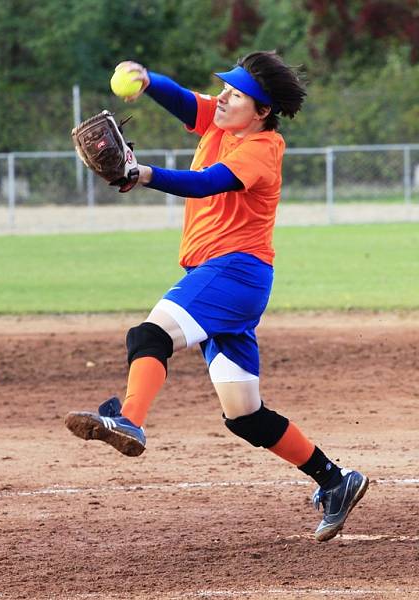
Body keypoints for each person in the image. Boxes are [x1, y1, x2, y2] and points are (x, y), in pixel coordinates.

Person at [65, 51, 367, 542]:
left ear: (262, 110)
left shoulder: (262, 149)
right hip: (228, 277)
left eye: (236, 93)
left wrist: (145, 174)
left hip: (234, 269)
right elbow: (186, 103)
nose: (223, 97)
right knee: (245, 416)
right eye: (224, 90)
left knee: (148, 334)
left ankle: (130, 419)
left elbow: (207, 183)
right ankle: (335, 481)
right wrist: (148, 79)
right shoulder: (223, 123)